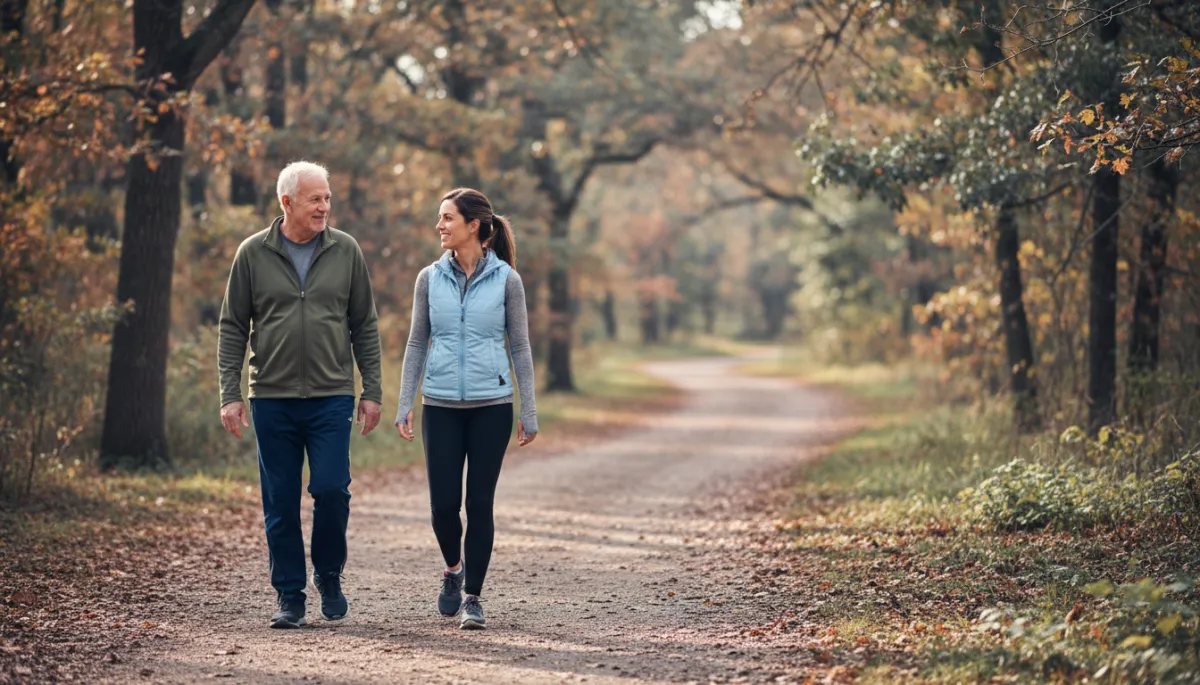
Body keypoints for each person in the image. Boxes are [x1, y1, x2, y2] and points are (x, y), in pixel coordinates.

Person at [218, 161, 383, 629]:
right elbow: (233, 327)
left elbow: (364, 324)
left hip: (332, 394)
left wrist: (371, 390)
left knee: (332, 490)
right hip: (271, 397)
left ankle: (328, 574)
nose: (324, 207)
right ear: (286, 202)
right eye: (315, 199)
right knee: (280, 499)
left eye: (327, 198)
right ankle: (289, 594)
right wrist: (230, 394)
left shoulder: (346, 250)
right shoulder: (252, 253)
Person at [394, 188, 539, 630]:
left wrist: (527, 410)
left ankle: (473, 596)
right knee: (442, 506)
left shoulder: (507, 280)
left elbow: (520, 346)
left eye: (447, 218)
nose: (439, 226)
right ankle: (453, 570)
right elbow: (418, 341)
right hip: (439, 404)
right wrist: (405, 403)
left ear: (473, 225)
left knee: (479, 502)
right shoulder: (428, 279)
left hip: (491, 406)